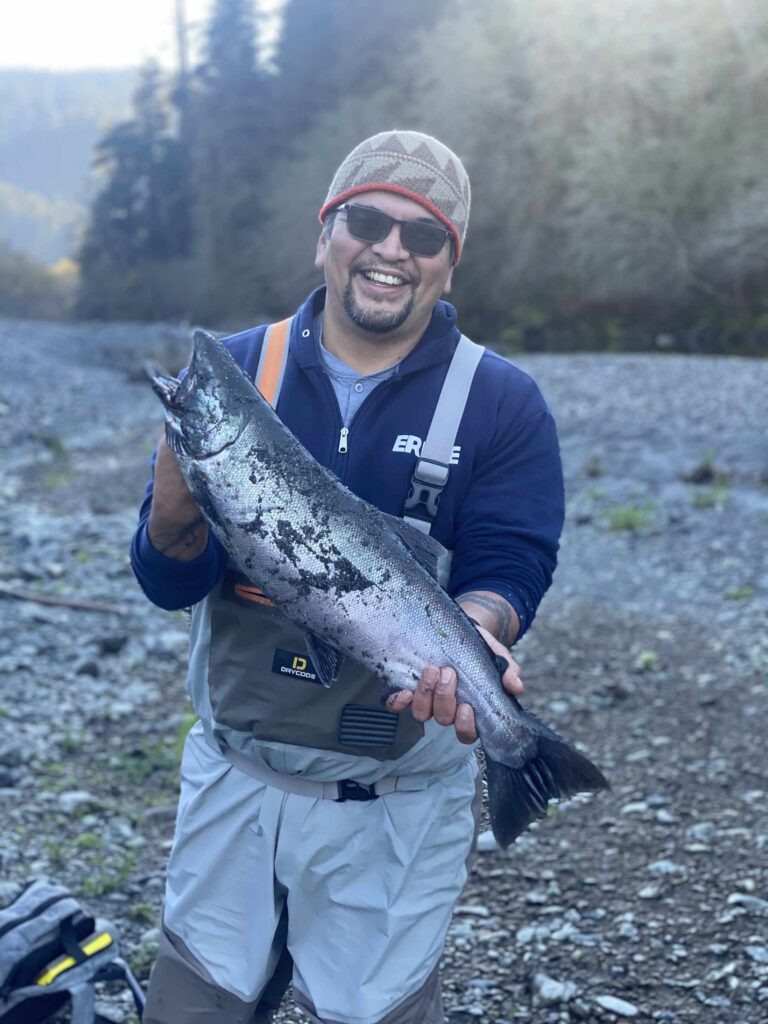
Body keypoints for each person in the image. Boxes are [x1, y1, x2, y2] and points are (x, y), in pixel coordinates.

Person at [131, 130, 565, 1024]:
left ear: (450, 261)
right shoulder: (239, 370)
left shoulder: (502, 401)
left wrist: (479, 630)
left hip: (399, 809)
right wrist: (171, 511)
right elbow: (169, 584)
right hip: (234, 781)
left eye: (424, 234)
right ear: (324, 234)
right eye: (367, 221)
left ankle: (523, 754)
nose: (391, 249)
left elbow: (511, 561)